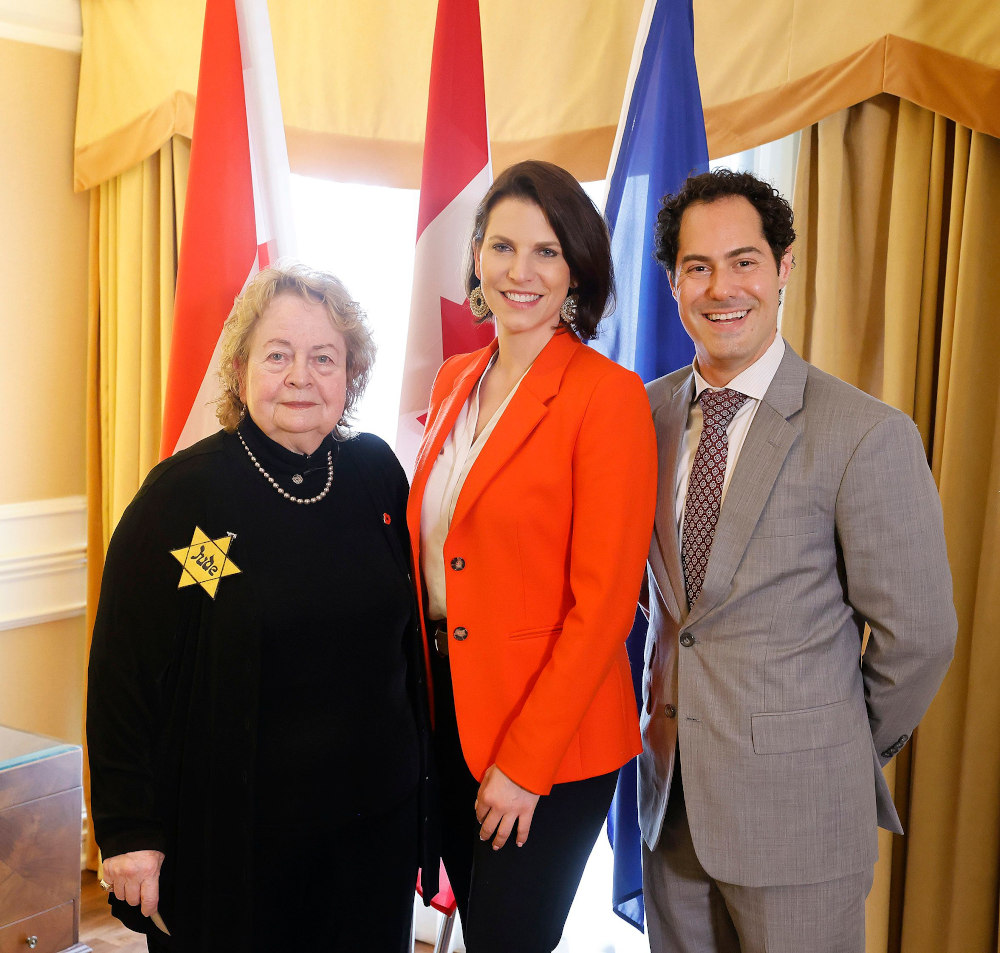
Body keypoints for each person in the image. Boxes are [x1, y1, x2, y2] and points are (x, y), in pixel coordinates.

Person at [638, 169, 957, 953]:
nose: (722, 288)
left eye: (743, 261)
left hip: (802, 816)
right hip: (669, 809)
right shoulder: (642, 416)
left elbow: (920, 636)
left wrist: (832, 743)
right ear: (674, 283)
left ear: (783, 268)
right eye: (698, 267)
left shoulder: (865, 433)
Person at [87, 262, 434, 952]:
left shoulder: (376, 473)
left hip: (372, 838)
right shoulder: (181, 495)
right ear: (241, 367)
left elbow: (409, 649)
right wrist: (128, 833)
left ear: (352, 373)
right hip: (231, 843)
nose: (300, 376)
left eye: (323, 358)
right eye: (278, 355)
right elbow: (123, 675)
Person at [405, 160, 658, 952]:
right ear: (477, 255)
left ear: (577, 267)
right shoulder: (454, 380)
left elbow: (605, 607)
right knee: (482, 931)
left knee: (510, 940)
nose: (521, 271)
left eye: (547, 251)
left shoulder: (607, 396)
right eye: (504, 246)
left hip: (550, 735)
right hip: (448, 712)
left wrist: (525, 762)